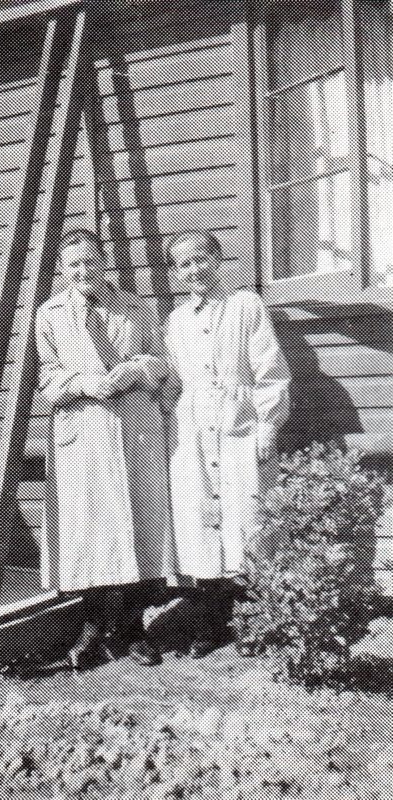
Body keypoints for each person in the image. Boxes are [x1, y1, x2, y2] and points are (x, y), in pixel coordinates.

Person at [35, 228, 172, 668]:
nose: (83, 272)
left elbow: (164, 364)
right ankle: (94, 627)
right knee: (92, 536)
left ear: (105, 261)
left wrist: (137, 370)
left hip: (134, 427)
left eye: (91, 262)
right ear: (62, 268)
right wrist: (91, 384)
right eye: (73, 265)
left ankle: (130, 630)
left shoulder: (137, 306)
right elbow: (48, 380)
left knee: (138, 530)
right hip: (84, 431)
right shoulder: (49, 316)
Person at [164, 229, 291, 657]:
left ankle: (258, 622)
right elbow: (178, 380)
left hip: (240, 429)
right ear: (176, 273)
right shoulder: (178, 319)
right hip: (195, 431)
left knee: (248, 525)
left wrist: (266, 430)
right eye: (183, 265)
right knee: (201, 527)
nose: (194, 270)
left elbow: (270, 374)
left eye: (201, 259)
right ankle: (210, 622)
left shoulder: (245, 305)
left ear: (218, 260)